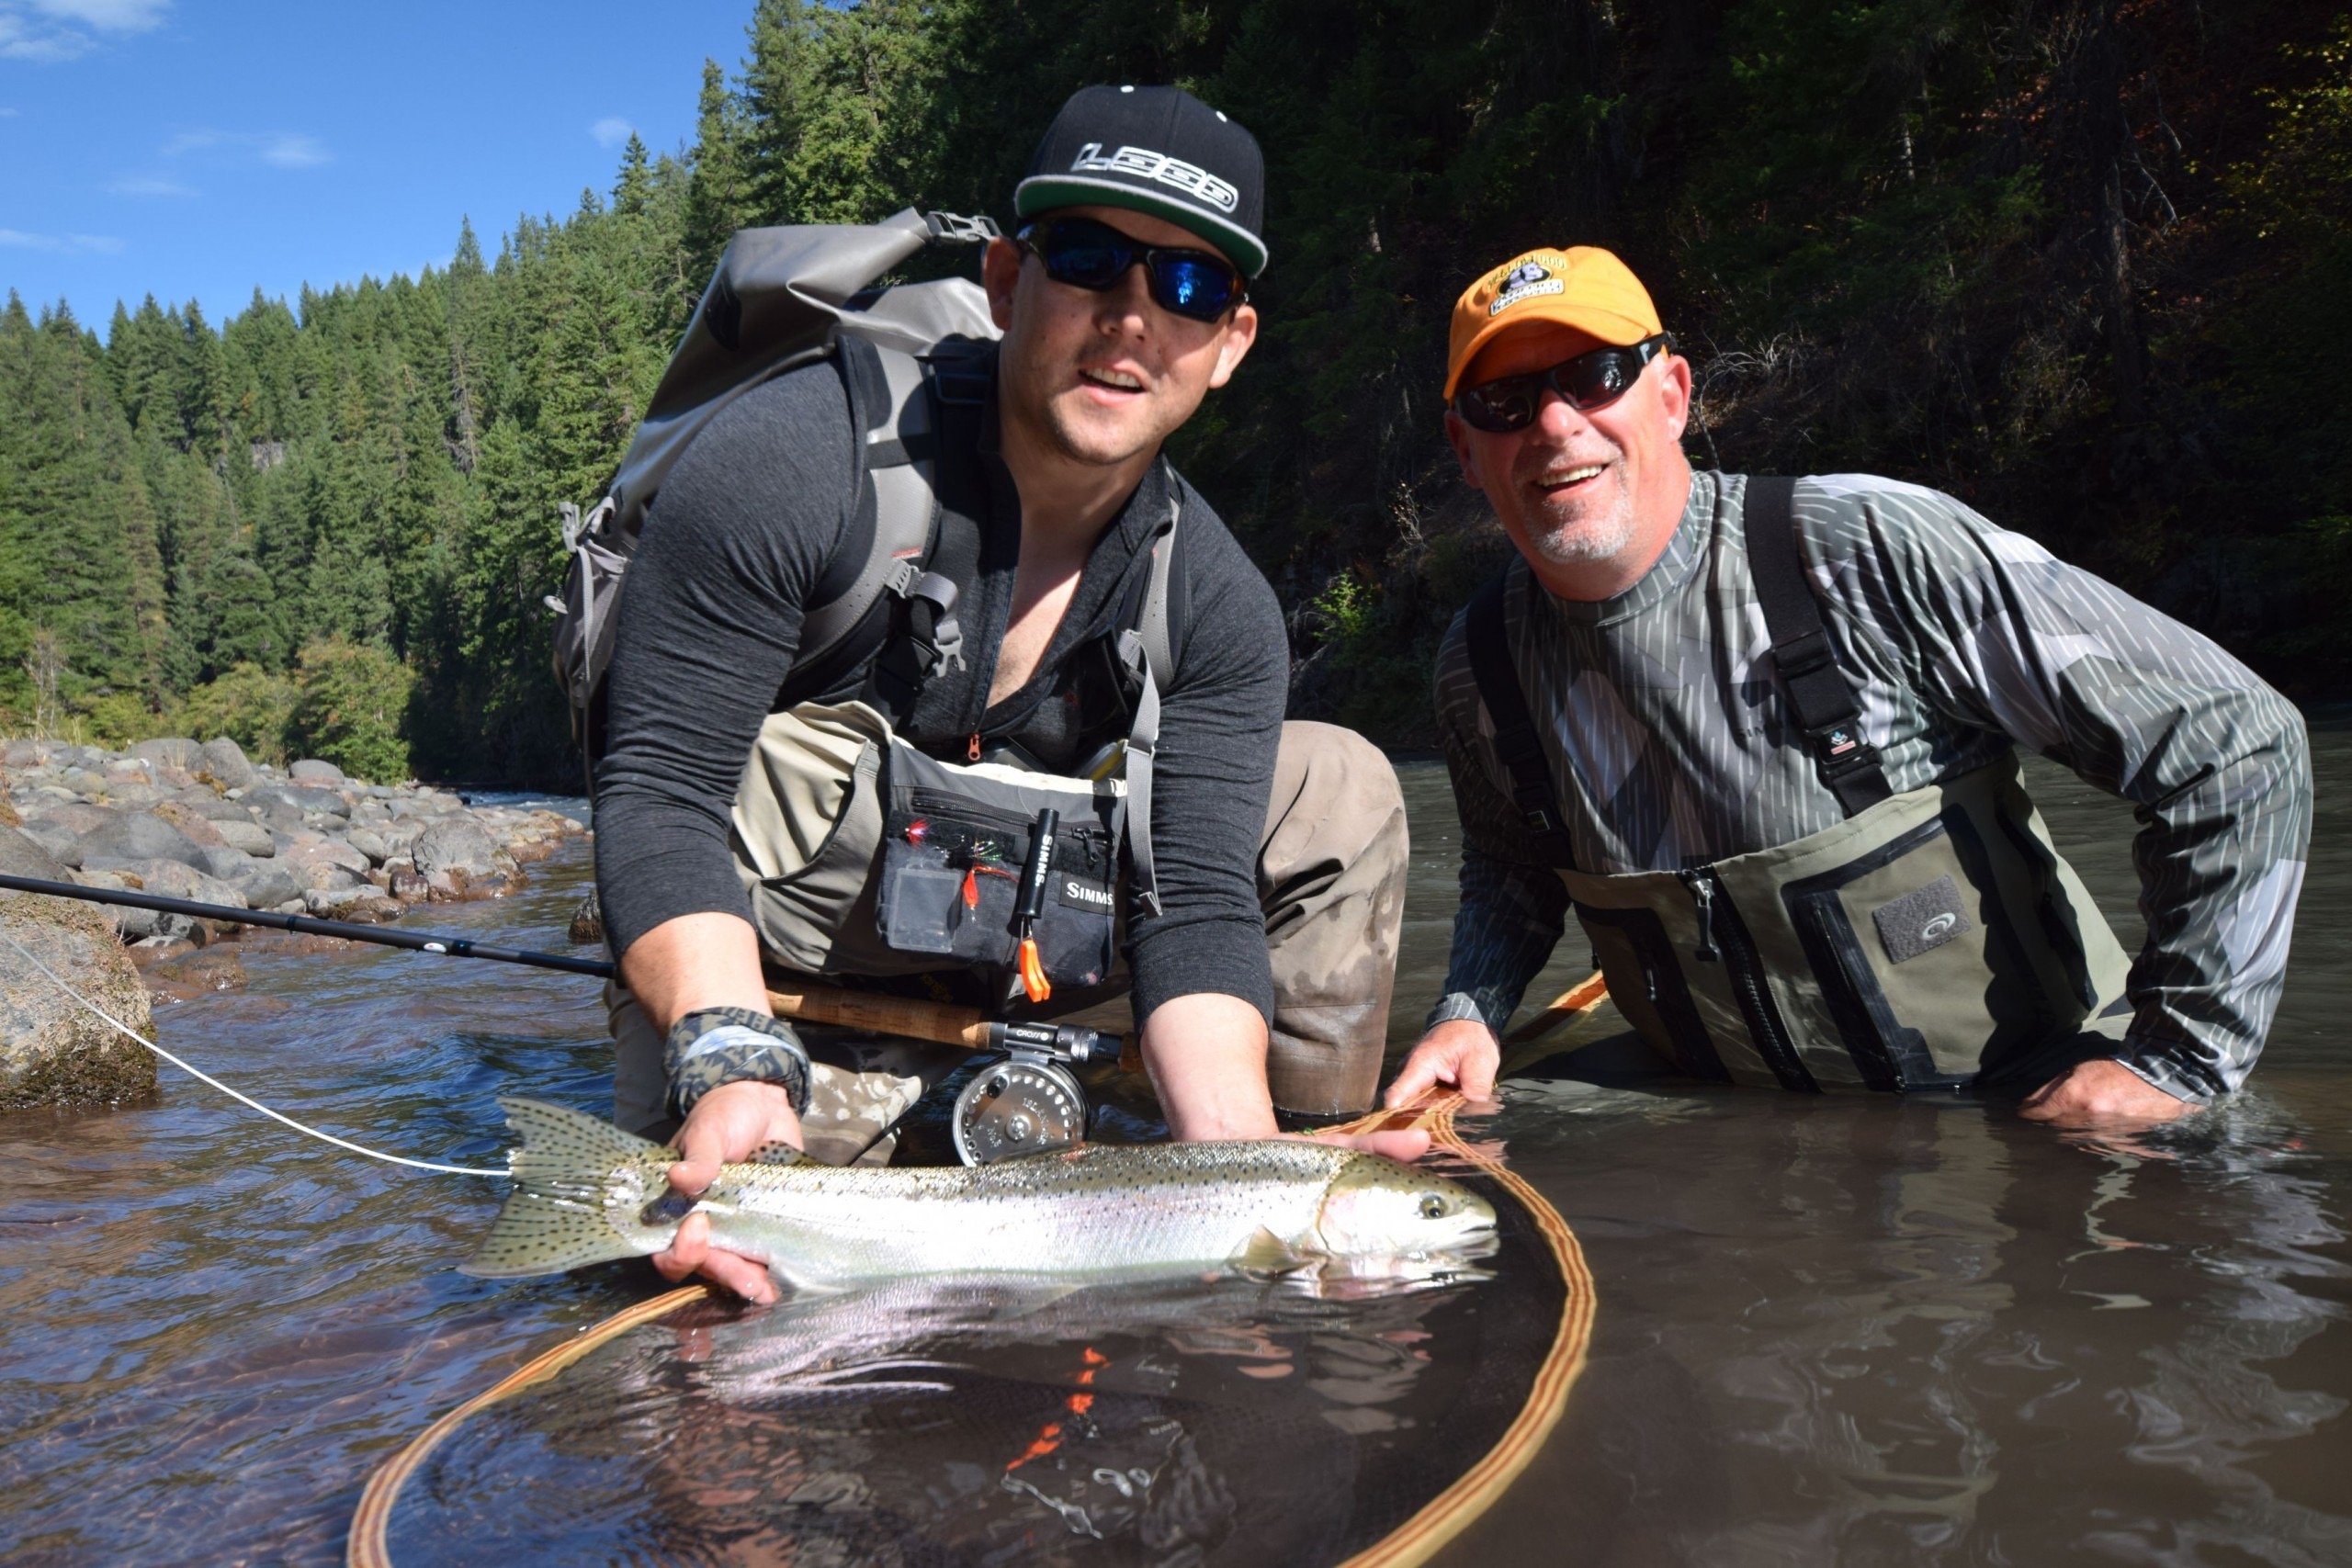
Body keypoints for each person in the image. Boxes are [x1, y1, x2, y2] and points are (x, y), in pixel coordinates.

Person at [593, 85, 1414, 1303]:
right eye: (1091, 260)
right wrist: (725, 1050)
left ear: (1231, 342)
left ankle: (1282, 1142)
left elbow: (1193, 901)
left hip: (1043, 951)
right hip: (765, 974)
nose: (1133, 320)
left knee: (1339, 779)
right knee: (712, 1310)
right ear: (1008, 281)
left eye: (1187, 289)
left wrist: (1255, 1186)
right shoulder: (796, 459)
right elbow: (658, 790)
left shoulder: (1219, 604)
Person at [1387, 243, 2312, 1126]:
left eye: (1594, 376)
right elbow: (1511, 875)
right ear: (1466, 451)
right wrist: (1469, 1010)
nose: (1554, 424)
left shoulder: (1863, 548)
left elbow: (2236, 744)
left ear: (1669, 395)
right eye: (1504, 401)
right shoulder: (1481, 666)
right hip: (1727, 1127)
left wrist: (2175, 1064)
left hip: (2027, 1104)